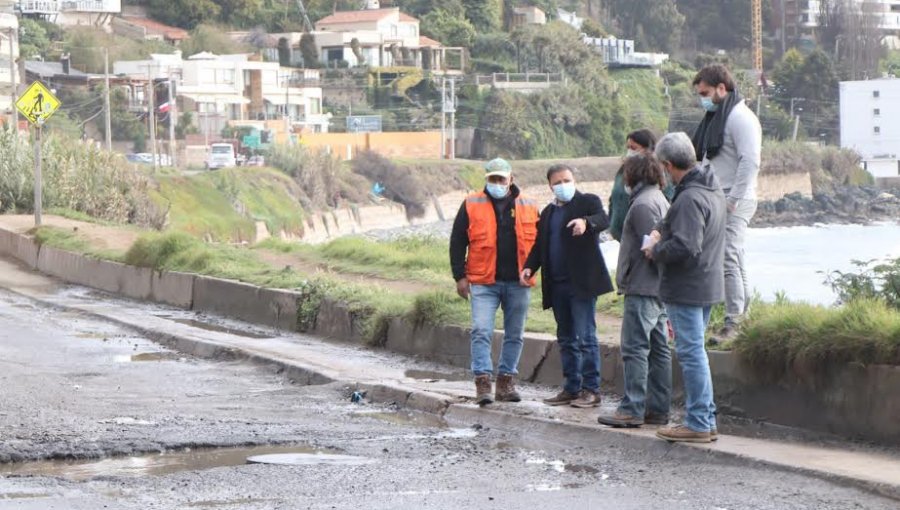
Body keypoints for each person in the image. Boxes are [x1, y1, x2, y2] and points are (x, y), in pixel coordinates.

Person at [642, 132, 727, 443]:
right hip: (706, 282)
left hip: (688, 286)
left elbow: (686, 245)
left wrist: (655, 250)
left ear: (666, 164)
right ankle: (705, 417)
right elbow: (679, 224)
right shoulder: (709, 186)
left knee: (691, 353)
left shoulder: (689, 197)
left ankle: (699, 421)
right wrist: (660, 228)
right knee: (696, 352)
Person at [449, 158, 540, 406]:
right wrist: (460, 276)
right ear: (486, 179)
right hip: (483, 281)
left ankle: (506, 382)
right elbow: (458, 241)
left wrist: (535, 270)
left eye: (502, 179)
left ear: (511, 178)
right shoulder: (471, 203)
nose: (497, 183)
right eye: (493, 179)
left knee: (515, 334)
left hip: (518, 283)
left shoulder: (530, 205)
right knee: (481, 330)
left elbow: (540, 245)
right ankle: (482, 382)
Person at [521, 164, 613, 408]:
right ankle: (571, 387)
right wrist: (530, 267)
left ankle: (591, 390)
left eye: (567, 180)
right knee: (566, 338)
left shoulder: (588, 202)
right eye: (558, 182)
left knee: (586, 337)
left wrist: (586, 222)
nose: (563, 185)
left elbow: (604, 219)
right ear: (550, 185)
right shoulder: (549, 212)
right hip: (557, 284)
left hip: (581, 283)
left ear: (574, 180)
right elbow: (540, 245)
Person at [596, 153, 672, 428]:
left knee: (636, 349)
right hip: (657, 287)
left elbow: (649, 246)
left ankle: (632, 407)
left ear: (633, 175)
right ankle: (658, 408)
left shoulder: (642, 205)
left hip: (643, 285)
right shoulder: (659, 199)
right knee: (658, 349)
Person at [692, 64, 762, 343]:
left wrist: (734, 199)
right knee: (735, 258)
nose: (703, 99)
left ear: (722, 88)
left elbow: (751, 161)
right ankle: (741, 318)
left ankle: (734, 323)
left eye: (706, 93)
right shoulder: (718, 117)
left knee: (728, 258)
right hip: (721, 197)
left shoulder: (739, 117)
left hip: (735, 199)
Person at [608, 129, 658, 242]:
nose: (630, 152)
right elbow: (613, 201)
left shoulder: (655, 176)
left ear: (648, 149)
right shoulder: (622, 172)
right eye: (628, 148)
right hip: (617, 238)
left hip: (640, 239)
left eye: (634, 148)